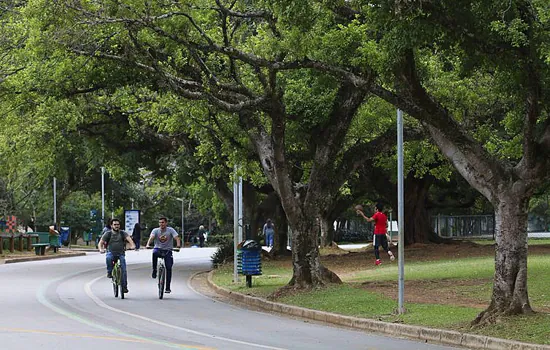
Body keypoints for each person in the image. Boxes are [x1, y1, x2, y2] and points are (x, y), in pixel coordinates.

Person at [98, 218, 136, 293]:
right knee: (108, 258)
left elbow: (130, 240)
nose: (116, 226)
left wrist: (132, 246)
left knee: (124, 270)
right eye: (115, 224)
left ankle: (124, 287)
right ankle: (109, 272)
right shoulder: (108, 233)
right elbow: (100, 243)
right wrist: (101, 249)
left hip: (121, 254)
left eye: (118, 224)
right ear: (111, 226)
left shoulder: (123, 233)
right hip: (111, 252)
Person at [146, 217, 181, 294]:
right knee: (154, 253)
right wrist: (148, 244)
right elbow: (151, 237)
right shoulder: (155, 230)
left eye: (163, 222)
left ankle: (167, 287)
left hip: (168, 250)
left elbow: (177, 238)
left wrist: (178, 246)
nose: (161, 224)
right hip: (158, 249)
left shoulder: (170, 230)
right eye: (160, 222)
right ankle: (154, 270)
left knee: (169, 267)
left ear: (166, 223)